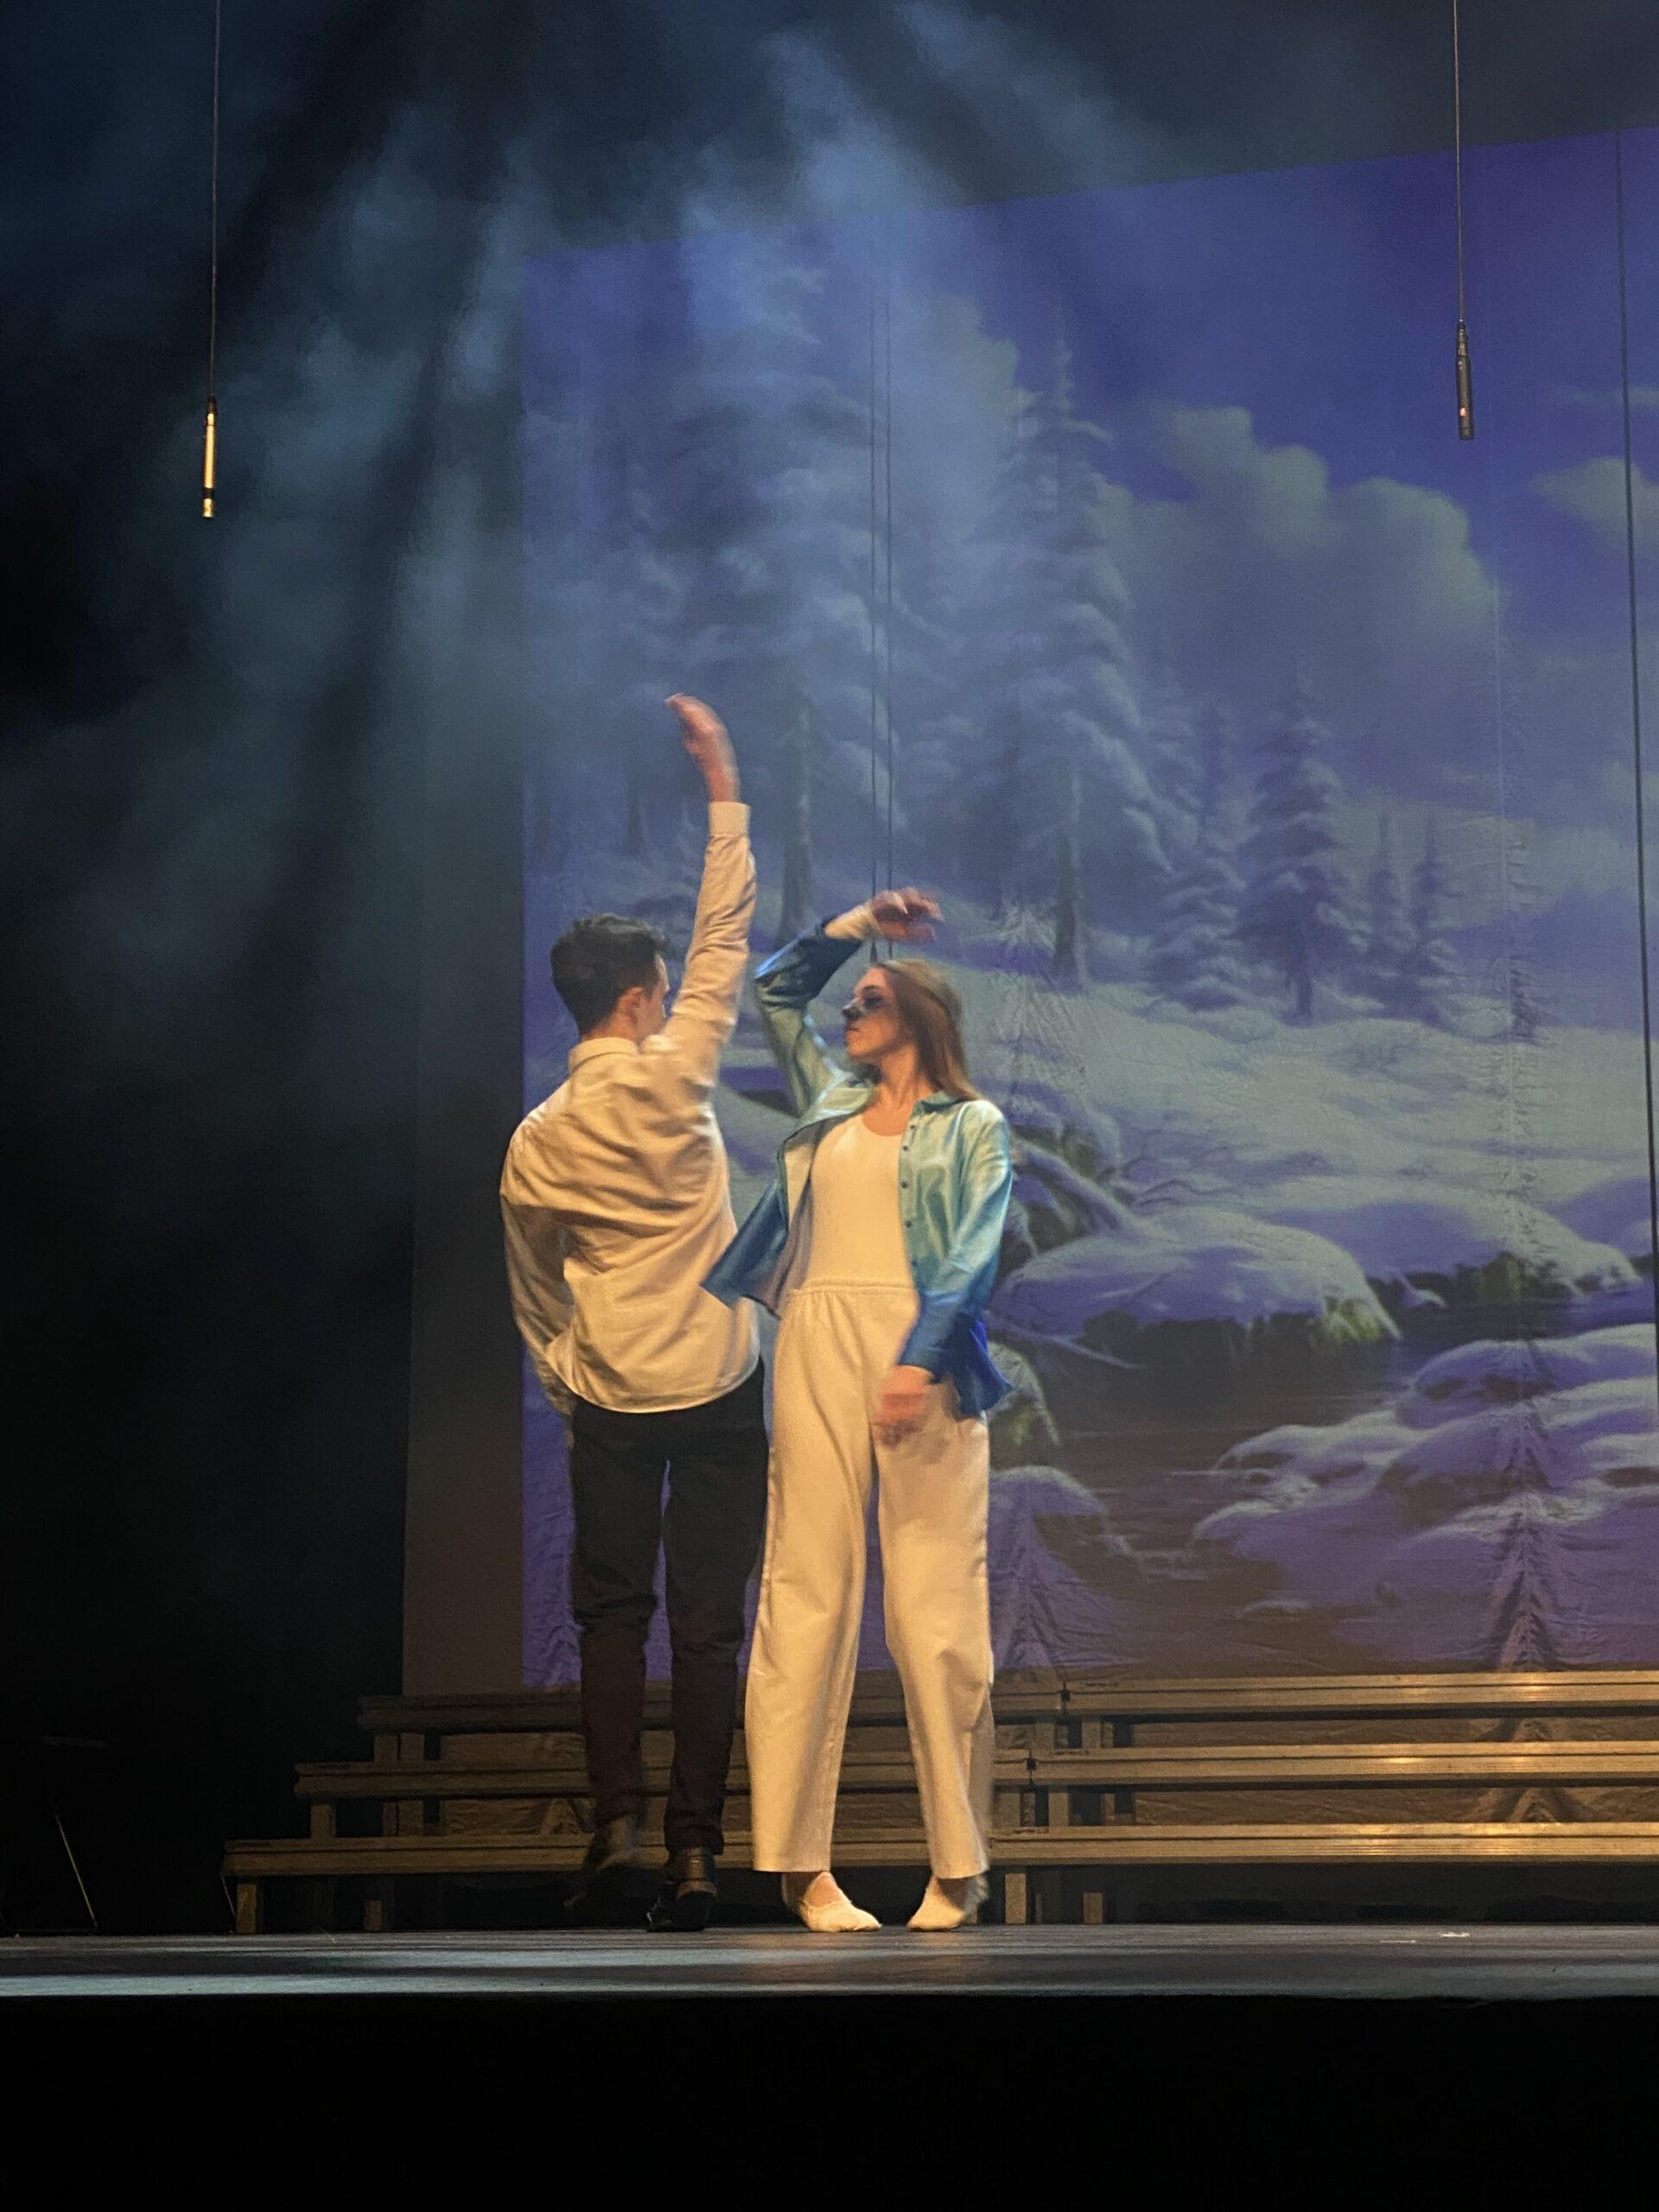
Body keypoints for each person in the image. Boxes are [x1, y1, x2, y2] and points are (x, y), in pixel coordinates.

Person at [500, 695, 767, 1933]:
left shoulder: (538, 1139)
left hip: (610, 1390)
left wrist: (567, 1376)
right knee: (706, 1632)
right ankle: (695, 1850)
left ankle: (613, 1826)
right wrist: (721, 782)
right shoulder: (676, 1073)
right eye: (662, 989)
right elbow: (727, 934)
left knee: (611, 1620)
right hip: (714, 1381)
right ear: (640, 1002)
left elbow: (532, 1285)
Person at [705, 892, 1014, 1931]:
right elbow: (776, 992)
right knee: (805, 1589)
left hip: (925, 1349)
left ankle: (958, 1865)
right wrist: (851, 927)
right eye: (852, 1002)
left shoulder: (972, 1125)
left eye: (870, 1000)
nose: (849, 1013)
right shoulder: (830, 1101)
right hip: (818, 1338)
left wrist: (918, 1359)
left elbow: (972, 1252)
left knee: (935, 1609)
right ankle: (800, 1865)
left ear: (918, 1020)